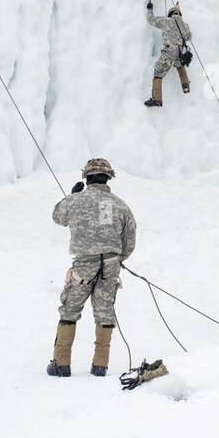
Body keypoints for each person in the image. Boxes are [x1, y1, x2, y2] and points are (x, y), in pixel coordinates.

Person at [47, 158, 137, 378]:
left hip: (83, 266)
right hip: (110, 266)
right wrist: (116, 260)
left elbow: (58, 217)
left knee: (69, 309)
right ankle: (100, 366)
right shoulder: (121, 205)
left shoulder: (76, 200)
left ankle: (61, 364)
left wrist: (71, 195)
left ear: (86, 178)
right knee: (104, 312)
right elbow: (130, 240)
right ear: (108, 178)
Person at [144, 0, 192, 107]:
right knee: (179, 65)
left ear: (170, 14)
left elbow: (151, 20)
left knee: (158, 72)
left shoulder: (167, 21)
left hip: (169, 51)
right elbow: (189, 36)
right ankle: (185, 86)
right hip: (180, 52)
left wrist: (150, 8)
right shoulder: (185, 25)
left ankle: (157, 99)